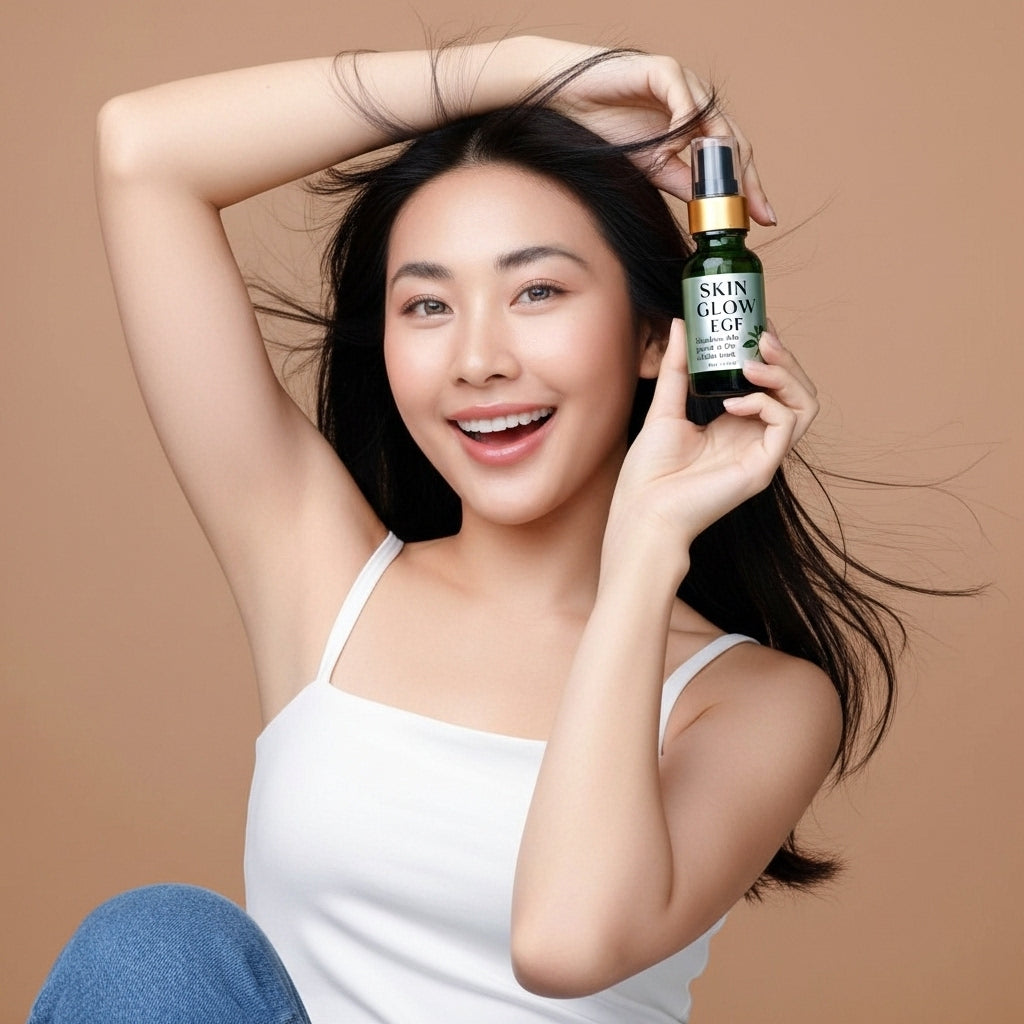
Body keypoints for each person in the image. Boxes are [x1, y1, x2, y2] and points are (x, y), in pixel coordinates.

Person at [29, 35, 904, 1024]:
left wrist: (644, 554)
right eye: (429, 304)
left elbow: (564, 943)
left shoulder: (758, 699)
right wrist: (525, 73)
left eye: (537, 290)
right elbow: (145, 152)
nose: (478, 358)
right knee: (154, 944)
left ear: (658, 336)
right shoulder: (323, 578)